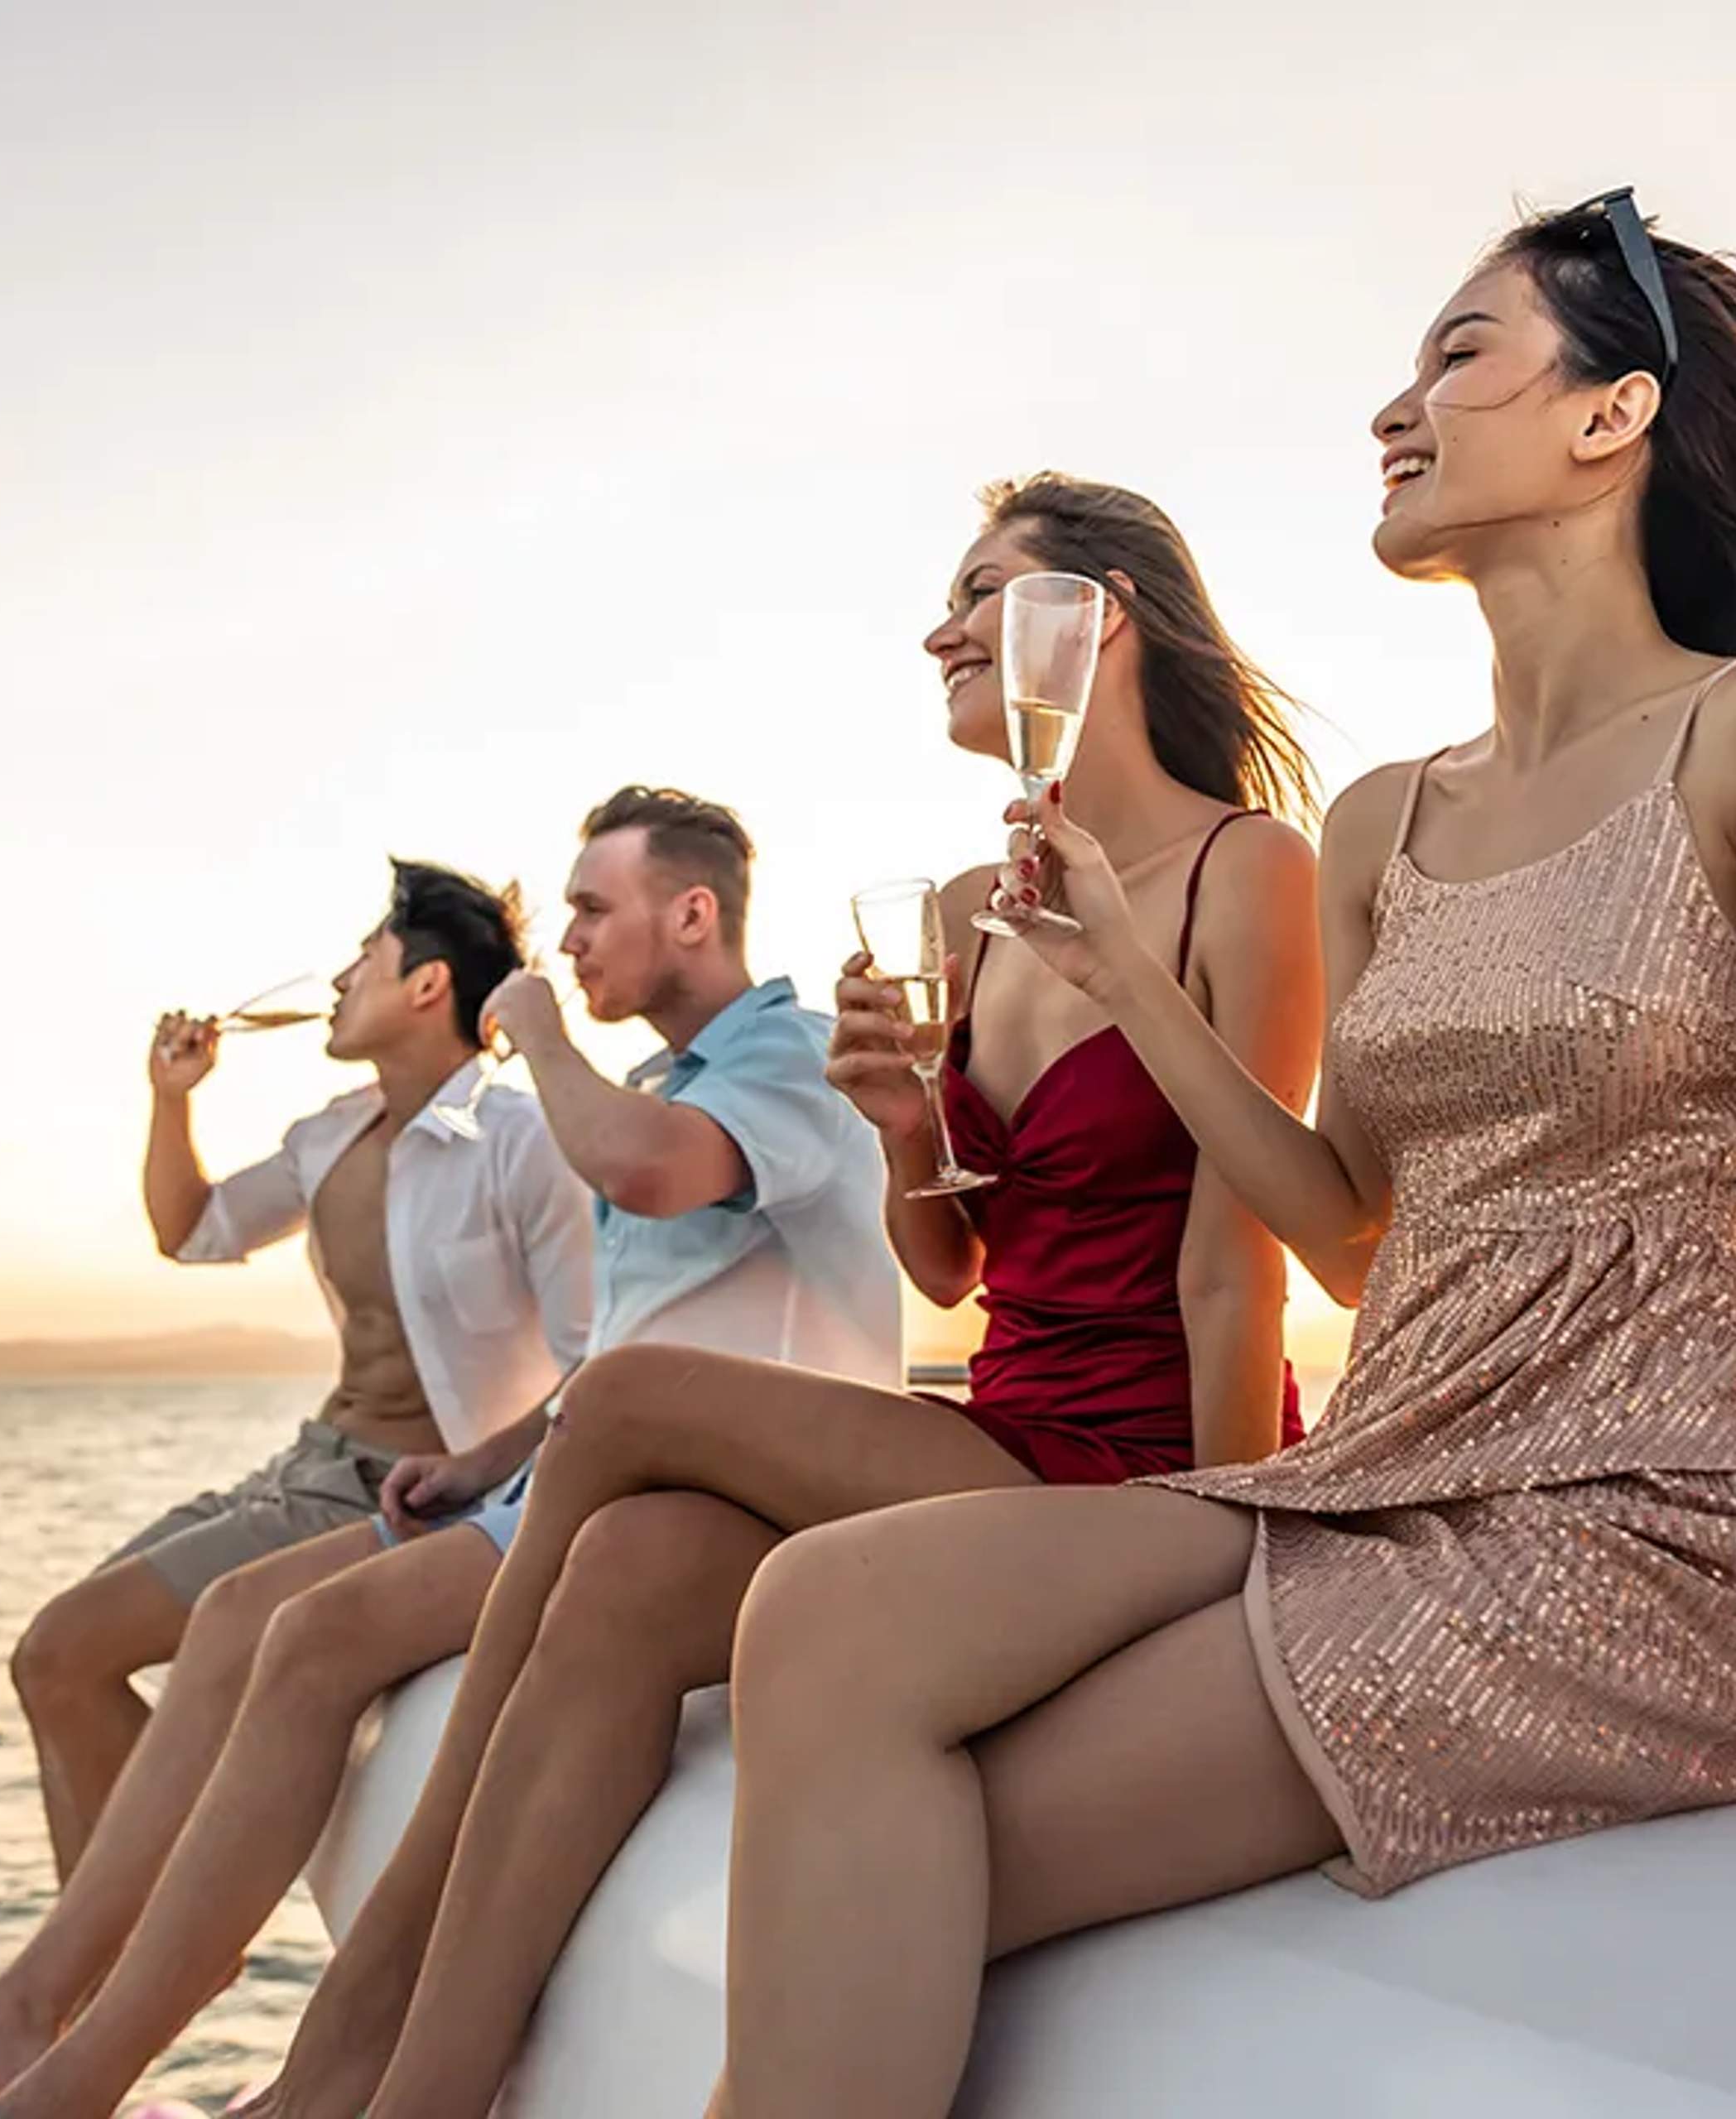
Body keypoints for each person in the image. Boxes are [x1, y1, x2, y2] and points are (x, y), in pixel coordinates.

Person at [708, 196, 1736, 2119]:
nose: (1395, 410)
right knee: (817, 1607)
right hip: (1385, 1464)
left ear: (1612, 413)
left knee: (937, 1825)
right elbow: (1340, 1234)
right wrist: (1134, 986)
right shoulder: (1386, 818)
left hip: (1640, 1528)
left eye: (1457, 354)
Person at [240, 475, 1329, 2119]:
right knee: (626, 1562)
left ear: (1093, 618)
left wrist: (1222, 1555)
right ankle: (416, 2088)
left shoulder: (1247, 872)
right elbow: (958, 1266)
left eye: (984, 590)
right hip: (1013, 1419)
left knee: (623, 1398)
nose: (939, 627)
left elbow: (1232, 1269)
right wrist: (906, 1130)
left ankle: (344, 2050)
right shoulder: (978, 908)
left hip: (1146, 1461)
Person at [0, 786, 902, 2114]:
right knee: (241, 1621)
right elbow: (611, 1347)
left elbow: (647, 1184)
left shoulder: (774, 1056)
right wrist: (494, 1460)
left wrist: (537, 1037)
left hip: (704, 1501)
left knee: (306, 1640)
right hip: (555, 1474)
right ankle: (63, 2023)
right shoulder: (639, 1086)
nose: (575, 941)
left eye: (596, 910)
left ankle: (92, 2061)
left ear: (694, 912)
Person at [10, 860, 587, 1884]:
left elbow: (597, 1354)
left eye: (364, 959)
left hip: (412, 1493)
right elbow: (190, 1231)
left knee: (64, 1648)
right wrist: (169, 1099)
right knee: (55, 1660)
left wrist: (494, 1472)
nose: (335, 984)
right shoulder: (330, 1136)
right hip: (311, 1463)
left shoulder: (521, 1139)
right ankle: (130, 1932)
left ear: (426, 985)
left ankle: (95, 1968)